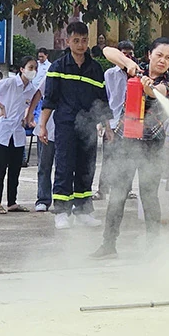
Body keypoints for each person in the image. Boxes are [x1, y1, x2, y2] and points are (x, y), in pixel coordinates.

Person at [90, 38, 169, 259]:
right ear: (149, 54)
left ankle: (153, 248)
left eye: (168, 58)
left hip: (152, 144)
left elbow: (155, 92)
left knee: (149, 196)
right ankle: (108, 244)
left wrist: (148, 85)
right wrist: (127, 63)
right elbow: (108, 51)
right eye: (159, 55)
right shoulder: (135, 68)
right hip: (125, 141)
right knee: (117, 194)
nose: (163, 61)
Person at [34, 21, 110, 229]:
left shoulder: (95, 68)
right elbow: (49, 99)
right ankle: (62, 211)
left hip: (89, 125)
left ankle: (83, 210)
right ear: (68, 41)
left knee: (86, 167)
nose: (81, 45)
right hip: (66, 123)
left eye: (84, 40)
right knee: (65, 165)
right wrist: (42, 126)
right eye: (76, 40)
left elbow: (102, 100)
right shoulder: (58, 67)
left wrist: (108, 127)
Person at [0, 56, 37, 214]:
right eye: (30, 67)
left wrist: (28, 115)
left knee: (15, 169)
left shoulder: (31, 88)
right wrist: (1, 106)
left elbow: (32, 103)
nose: (33, 71)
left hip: (18, 132)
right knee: (0, 168)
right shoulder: (10, 82)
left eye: (35, 68)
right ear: (22, 69)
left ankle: (12, 202)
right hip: (3, 130)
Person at [95, 40, 134, 201]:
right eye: (124, 54)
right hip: (113, 121)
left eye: (130, 54)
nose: (127, 57)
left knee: (130, 158)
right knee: (109, 159)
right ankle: (102, 189)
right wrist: (105, 125)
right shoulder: (109, 74)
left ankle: (128, 189)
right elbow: (106, 100)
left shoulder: (136, 74)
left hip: (131, 124)